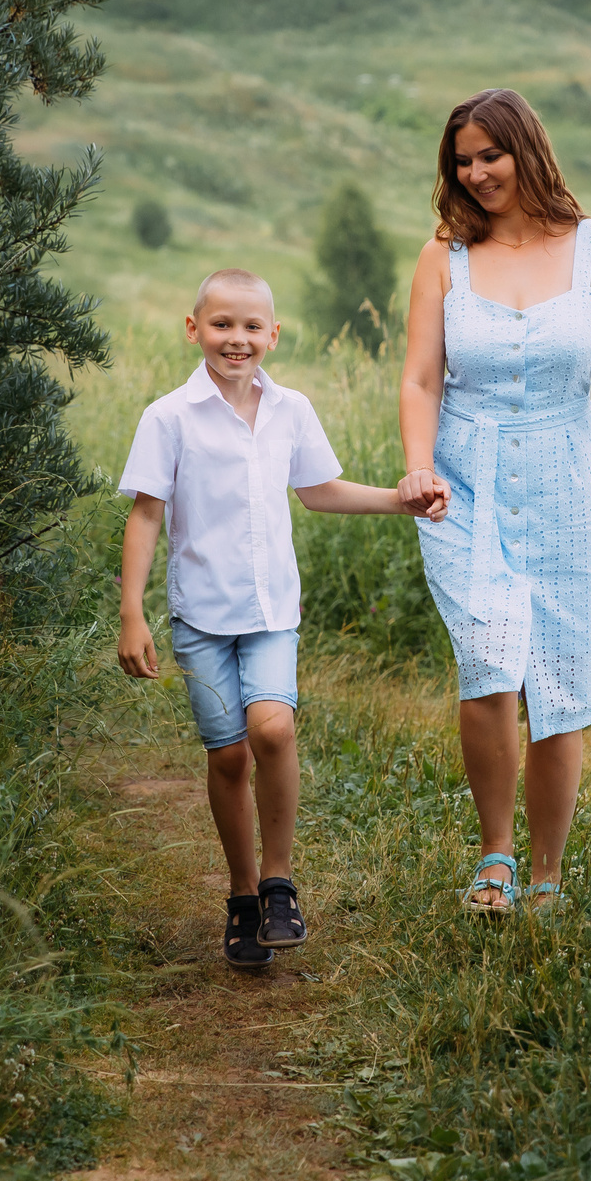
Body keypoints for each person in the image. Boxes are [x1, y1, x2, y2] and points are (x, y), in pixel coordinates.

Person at [118, 268, 445, 970]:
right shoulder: (168, 417)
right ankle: (239, 895)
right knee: (228, 752)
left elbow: (320, 491)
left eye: (251, 327)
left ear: (273, 334)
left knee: (273, 726)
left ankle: (277, 883)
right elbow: (146, 513)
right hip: (200, 617)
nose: (237, 339)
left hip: (271, 611)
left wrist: (401, 499)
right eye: (221, 325)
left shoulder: (291, 409)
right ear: (193, 328)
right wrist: (131, 612)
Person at [398, 88, 591, 917]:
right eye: (461, 161)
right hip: (467, 479)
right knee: (489, 662)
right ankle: (494, 856)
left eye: (489, 156)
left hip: (573, 478)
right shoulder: (444, 257)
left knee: (560, 679)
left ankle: (546, 874)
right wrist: (418, 466)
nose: (475, 173)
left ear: (526, 151)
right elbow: (422, 377)